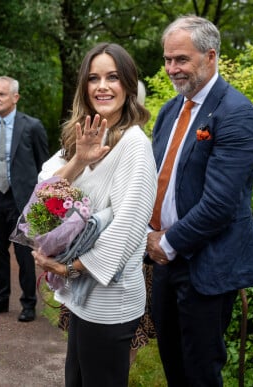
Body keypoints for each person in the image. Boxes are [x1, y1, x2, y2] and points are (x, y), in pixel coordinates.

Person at [145, 15, 253, 387]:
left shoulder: (236, 114)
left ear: (210, 56)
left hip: (205, 267)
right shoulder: (169, 110)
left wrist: (166, 243)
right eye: (167, 60)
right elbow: (154, 181)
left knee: (200, 373)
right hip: (164, 264)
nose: (171, 69)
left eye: (181, 59)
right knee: (173, 367)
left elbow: (220, 205)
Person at [32, 42, 157, 386]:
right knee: (77, 379)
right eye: (94, 78)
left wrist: (68, 268)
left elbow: (128, 227)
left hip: (109, 299)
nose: (102, 86)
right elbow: (43, 195)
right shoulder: (85, 134)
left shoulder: (134, 144)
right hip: (82, 298)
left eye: (113, 77)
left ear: (129, 85)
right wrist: (79, 160)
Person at [0, 76, 49, 322]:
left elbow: (44, 167)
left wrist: (42, 202)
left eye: (2, 94)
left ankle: (28, 303)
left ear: (15, 97)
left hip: (22, 201)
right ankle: (0, 299)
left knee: (24, 254)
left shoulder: (32, 127)